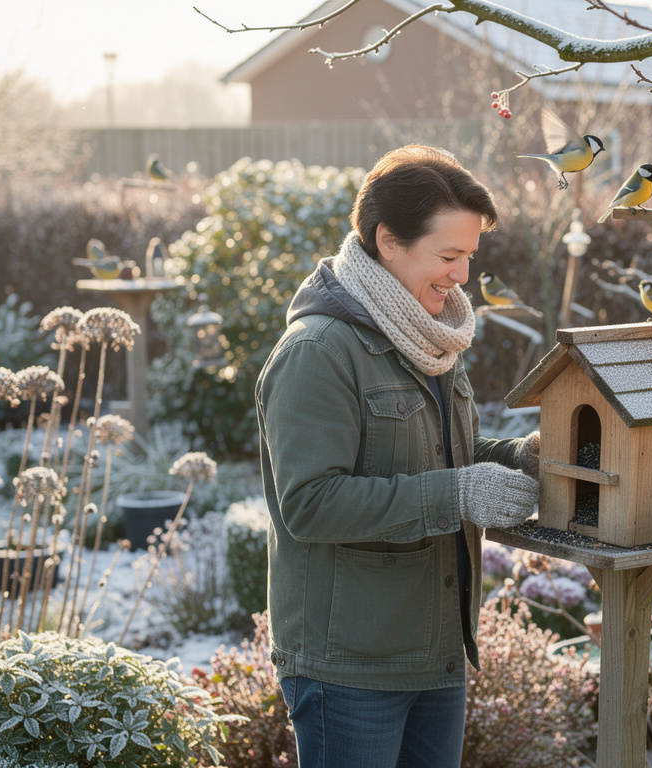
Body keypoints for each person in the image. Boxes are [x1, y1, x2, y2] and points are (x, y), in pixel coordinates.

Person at [256, 145, 541, 768]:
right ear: (388, 241)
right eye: (448, 256)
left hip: (435, 651)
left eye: (469, 255)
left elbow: (438, 456)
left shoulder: (427, 336)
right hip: (349, 667)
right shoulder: (318, 351)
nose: (462, 275)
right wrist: (460, 494)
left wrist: (516, 456)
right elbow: (310, 503)